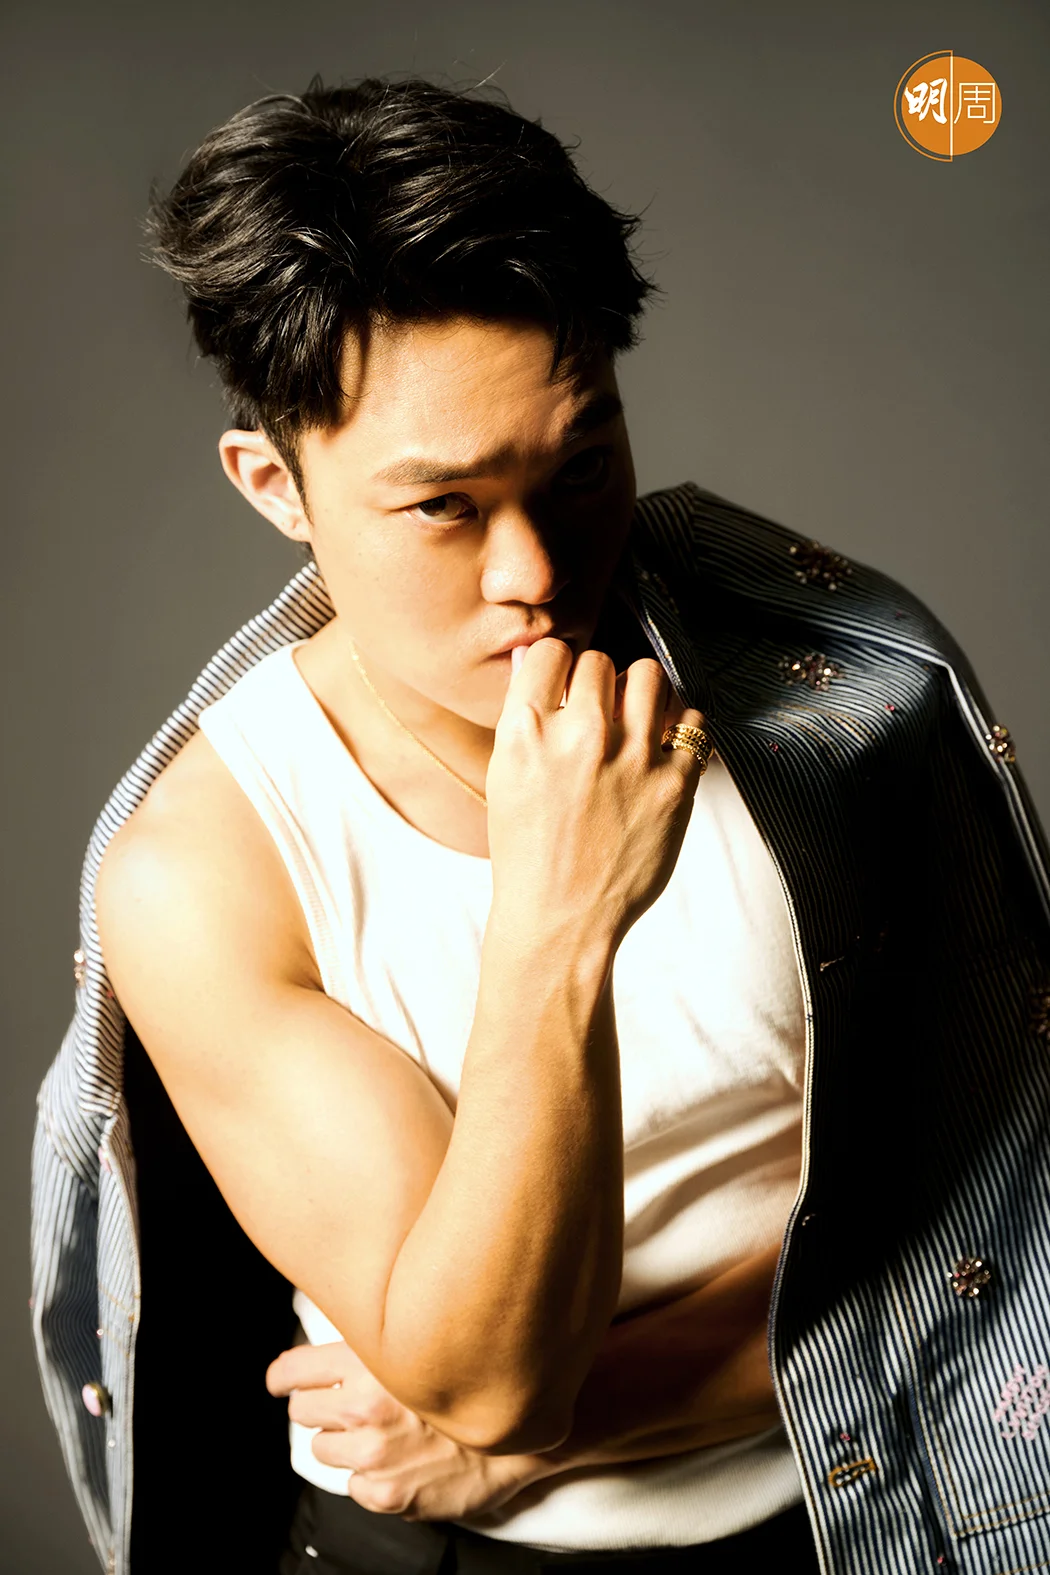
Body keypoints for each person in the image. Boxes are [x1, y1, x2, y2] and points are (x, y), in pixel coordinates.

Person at [30, 74, 1050, 1575]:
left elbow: (995, 1227)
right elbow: (494, 1371)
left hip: (879, 1505)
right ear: (277, 487)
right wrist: (556, 922)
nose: (535, 571)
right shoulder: (207, 869)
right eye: (442, 507)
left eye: (579, 468)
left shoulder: (848, 701)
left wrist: (562, 1416)